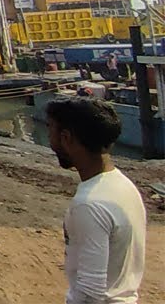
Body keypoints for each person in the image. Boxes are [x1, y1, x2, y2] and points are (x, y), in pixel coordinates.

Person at [46, 97, 145, 303]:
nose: (50, 140)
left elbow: (90, 293)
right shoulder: (123, 184)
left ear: (67, 138)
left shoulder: (88, 205)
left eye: (51, 130)